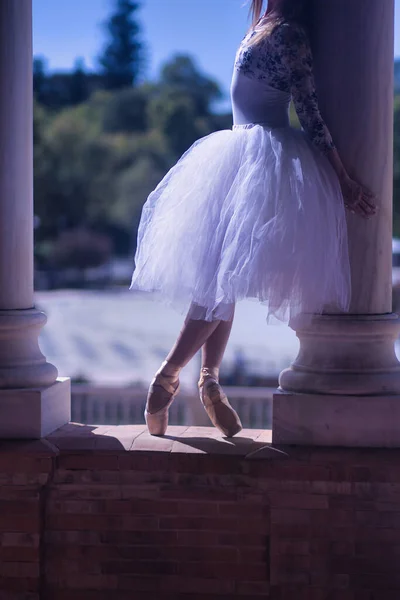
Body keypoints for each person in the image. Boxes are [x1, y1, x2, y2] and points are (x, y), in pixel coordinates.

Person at [130, 0, 377, 437]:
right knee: (221, 278)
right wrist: (339, 177)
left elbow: (311, 110)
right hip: (244, 157)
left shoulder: (286, 33)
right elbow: (302, 110)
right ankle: (192, 379)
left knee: (223, 279)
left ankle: (193, 379)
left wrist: (342, 177)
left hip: (258, 159)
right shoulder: (265, 26)